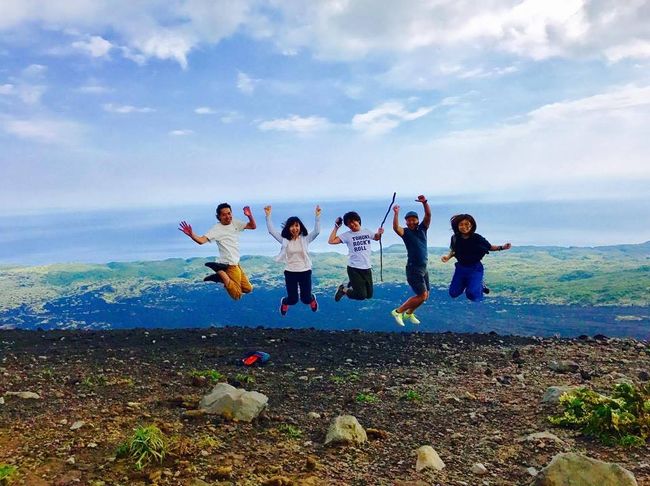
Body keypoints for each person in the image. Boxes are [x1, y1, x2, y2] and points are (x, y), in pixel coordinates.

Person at [178, 203, 256, 300]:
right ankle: (220, 271)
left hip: (236, 263)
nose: (227, 217)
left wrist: (249, 215)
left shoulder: (235, 223)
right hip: (229, 264)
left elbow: (252, 226)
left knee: (248, 289)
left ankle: (220, 277)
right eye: (224, 215)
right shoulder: (216, 229)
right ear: (218, 217)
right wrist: (191, 234)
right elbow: (201, 241)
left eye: (229, 213)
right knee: (237, 295)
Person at [264, 205, 321, 316]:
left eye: (297, 225)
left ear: (300, 227)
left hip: (305, 271)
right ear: (288, 228)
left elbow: (317, 231)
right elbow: (272, 231)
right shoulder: (285, 240)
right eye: (292, 226)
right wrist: (268, 215)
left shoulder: (305, 239)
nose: (295, 228)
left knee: (305, 299)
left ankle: (312, 299)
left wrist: (317, 216)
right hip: (290, 272)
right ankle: (284, 303)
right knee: (293, 299)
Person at [441, 213, 511, 302]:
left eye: (467, 224)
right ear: (457, 226)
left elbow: (489, 247)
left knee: (472, 295)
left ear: (472, 225)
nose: (464, 227)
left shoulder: (477, 238)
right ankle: (471, 283)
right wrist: (448, 257)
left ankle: (479, 286)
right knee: (453, 293)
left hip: (475, 267)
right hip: (461, 268)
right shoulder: (455, 238)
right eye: (461, 224)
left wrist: (502, 247)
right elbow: (454, 250)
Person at [390, 195, 431, 326]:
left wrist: (424, 202)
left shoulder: (423, 229)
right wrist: (396, 214)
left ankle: (409, 313)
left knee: (425, 296)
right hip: (414, 268)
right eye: (408, 220)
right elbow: (396, 228)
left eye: (414, 220)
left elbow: (428, 215)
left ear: (417, 220)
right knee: (422, 295)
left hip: (424, 267)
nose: (411, 222)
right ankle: (398, 311)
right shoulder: (406, 232)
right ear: (406, 222)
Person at [328, 211, 384, 302]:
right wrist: (336, 227)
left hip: (367, 268)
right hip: (354, 268)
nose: (351, 224)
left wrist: (379, 233)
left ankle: (351, 283)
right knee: (361, 295)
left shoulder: (367, 231)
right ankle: (343, 289)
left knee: (369, 295)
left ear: (358, 220)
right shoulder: (347, 235)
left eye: (353, 221)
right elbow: (331, 241)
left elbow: (377, 237)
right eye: (348, 223)